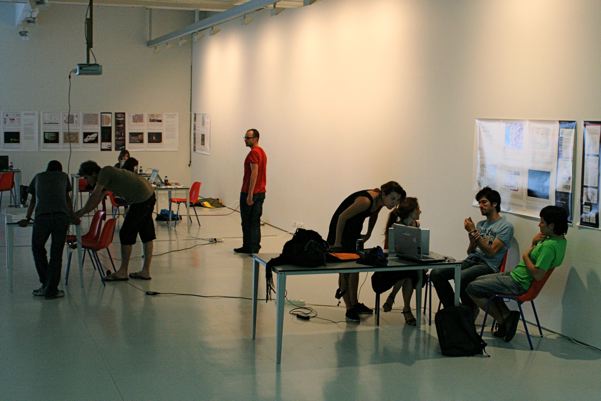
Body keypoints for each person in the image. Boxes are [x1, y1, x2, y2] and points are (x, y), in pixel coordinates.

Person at [467, 206, 568, 342]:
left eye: (542, 222)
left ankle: (504, 319)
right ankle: (506, 317)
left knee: (472, 288)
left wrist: (525, 256)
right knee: (479, 280)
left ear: (552, 225)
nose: (539, 225)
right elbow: (536, 258)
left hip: (519, 283)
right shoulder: (559, 241)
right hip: (516, 275)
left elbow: (538, 275)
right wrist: (533, 243)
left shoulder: (549, 247)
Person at [328, 181, 406, 322]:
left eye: (397, 200)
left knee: (355, 268)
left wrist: (369, 233)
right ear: (384, 194)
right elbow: (341, 217)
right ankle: (349, 308)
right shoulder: (365, 201)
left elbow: (374, 215)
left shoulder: (380, 202)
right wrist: (337, 243)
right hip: (340, 232)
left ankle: (355, 303)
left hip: (353, 231)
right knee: (345, 271)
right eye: (393, 198)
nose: (394, 203)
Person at [430, 187, 514, 312]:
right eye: (479, 203)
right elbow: (470, 252)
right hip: (472, 260)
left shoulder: (505, 226)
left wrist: (473, 231)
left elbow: (491, 252)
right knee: (436, 273)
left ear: (494, 204)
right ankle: (453, 310)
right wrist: (472, 237)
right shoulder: (480, 224)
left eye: (484, 202)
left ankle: (469, 310)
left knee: (461, 277)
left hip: (488, 265)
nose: (481, 206)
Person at [74, 161, 156, 281]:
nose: (86, 181)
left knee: (126, 233)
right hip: (147, 196)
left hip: (141, 199)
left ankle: (123, 272)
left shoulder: (105, 172)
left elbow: (94, 195)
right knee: (146, 233)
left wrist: (80, 213)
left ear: (93, 173)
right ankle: (145, 271)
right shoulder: (106, 178)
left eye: (86, 177)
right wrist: (82, 212)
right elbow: (97, 199)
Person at [19, 160, 78, 299]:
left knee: (37, 249)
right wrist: (72, 216)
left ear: (47, 169)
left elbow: (33, 200)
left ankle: (45, 283)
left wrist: (27, 218)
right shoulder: (64, 176)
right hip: (61, 218)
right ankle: (51, 290)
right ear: (60, 169)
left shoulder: (38, 177)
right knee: (56, 254)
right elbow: (67, 199)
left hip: (42, 218)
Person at [377, 197, 425, 325]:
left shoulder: (416, 225)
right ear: (411, 211)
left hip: (410, 263)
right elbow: (390, 250)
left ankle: (393, 297)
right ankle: (406, 309)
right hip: (395, 265)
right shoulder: (396, 227)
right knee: (407, 273)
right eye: (418, 208)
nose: (420, 211)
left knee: (409, 273)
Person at [234, 128, 267, 254]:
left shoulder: (254, 153)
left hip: (251, 192)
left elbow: (254, 173)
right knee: (255, 222)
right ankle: (253, 247)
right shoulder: (262, 152)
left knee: (247, 222)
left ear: (256, 139)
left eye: (248, 138)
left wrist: (249, 194)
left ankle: (248, 247)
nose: (245, 140)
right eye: (245, 137)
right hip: (261, 192)